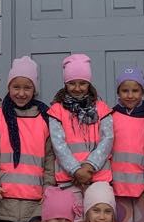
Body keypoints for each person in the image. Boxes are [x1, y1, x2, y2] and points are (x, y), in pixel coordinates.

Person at [0, 56, 55, 222]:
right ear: (8, 87)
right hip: (1, 200)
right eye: (16, 87)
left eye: (27, 88)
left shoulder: (44, 118)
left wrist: (49, 189)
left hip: (34, 203)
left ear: (34, 89)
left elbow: (50, 159)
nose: (21, 93)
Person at [48, 54, 113, 191]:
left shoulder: (101, 108)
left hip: (98, 177)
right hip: (68, 178)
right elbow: (58, 144)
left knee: (99, 205)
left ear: (89, 84)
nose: (77, 88)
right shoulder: (56, 110)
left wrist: (90, 166)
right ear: (65, 84)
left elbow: (107, 139)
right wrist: (75, 170)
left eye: (82, 83)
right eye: (72, 83)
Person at [110, 65, 144, 222]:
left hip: (142, 183)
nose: (130, 95)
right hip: (119, 182)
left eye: (135, 90)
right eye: (125, 91)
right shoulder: (112, 116)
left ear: (142, 92)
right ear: (118, 92)